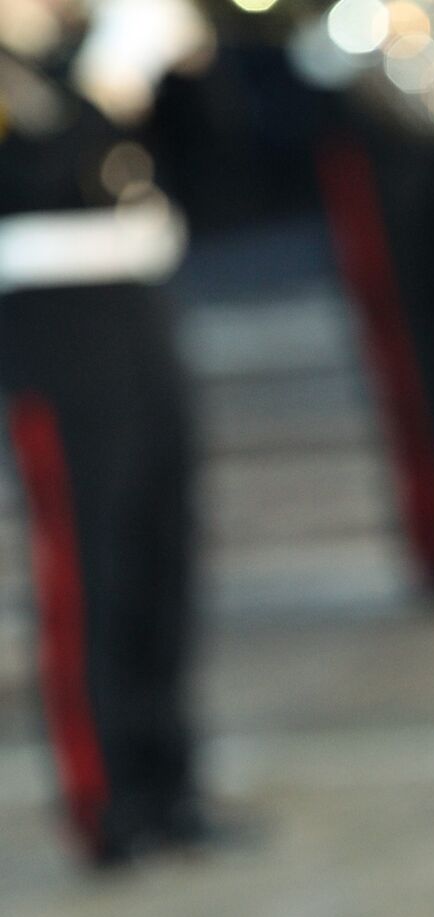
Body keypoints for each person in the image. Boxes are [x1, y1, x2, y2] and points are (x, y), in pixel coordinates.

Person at [0, 2, 217, 866]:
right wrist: (111, 78)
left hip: (140, 297)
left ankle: (171, 781)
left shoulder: (79, 47)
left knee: (165, 546)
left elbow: (214, 172)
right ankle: (106, 798)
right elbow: (36, 171)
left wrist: (190, 72)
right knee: (87, 565)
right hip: (52, 320)